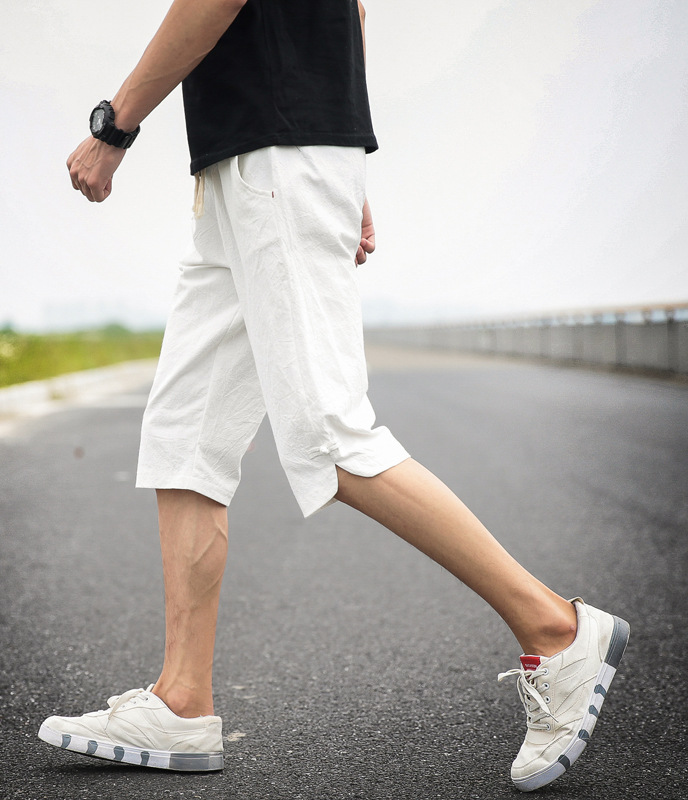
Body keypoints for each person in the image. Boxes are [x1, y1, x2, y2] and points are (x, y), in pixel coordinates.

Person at [38, 0, 629, 791]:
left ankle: (554, 628)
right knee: (186, 434)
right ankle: (180, 703)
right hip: (250, 164)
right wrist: (342, 158)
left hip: (279, 159)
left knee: (330, 438)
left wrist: (116, 124)